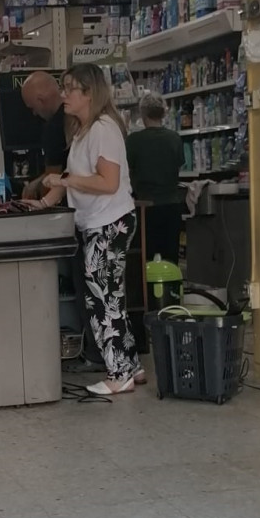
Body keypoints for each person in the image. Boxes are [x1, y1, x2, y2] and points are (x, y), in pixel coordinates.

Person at [37, 62, 142, 396]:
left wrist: (64, 180)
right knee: (112, 298)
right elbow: (70, 182)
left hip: (109, 223)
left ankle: (119, 373)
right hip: (95, 223)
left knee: (103, 300)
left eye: (70, 88)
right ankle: (131, 365)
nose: (63, 95)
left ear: (89, 93)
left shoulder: (103, 129)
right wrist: (41, 203)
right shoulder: (82, 131)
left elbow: (108, 183)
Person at [126, 93, 185, 265]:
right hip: (172, 204)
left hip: (145, 207)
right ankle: (171, 289)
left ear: (143, 114)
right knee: (170, 257)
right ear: (164, 113)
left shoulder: (134, 141)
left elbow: (127, 172)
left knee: (146, 257)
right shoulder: (174, 138)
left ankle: (149, 291)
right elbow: (178, 166)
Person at [20, 71, 67, 197]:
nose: (34, 113)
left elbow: (52, 181)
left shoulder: (54, 128)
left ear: (41, 100)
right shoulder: (91, 122)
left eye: (32, 108)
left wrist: (40, 201)